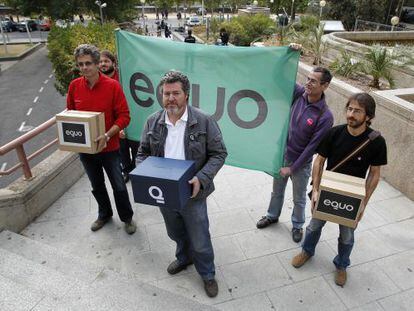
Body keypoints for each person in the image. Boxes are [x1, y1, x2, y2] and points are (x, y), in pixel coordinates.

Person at [136, 71, 227, 298]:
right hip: (164, 193)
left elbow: (219, 153)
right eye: (166, 94)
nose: (170, 98)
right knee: (175, 231)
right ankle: (183, 258)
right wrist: (147, 175)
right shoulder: (152, 122)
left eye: (176, 93)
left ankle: (207, 274)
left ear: (186, 94)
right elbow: (142, 153)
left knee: (200, 237)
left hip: (193, 193)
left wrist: (202, 178)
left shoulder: (204, 121)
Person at [291, 93, 387, 287]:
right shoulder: (334, 133)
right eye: (349, 109)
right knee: (314, 226)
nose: (351, 114)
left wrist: (363, 203)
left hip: (352, 197)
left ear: (368, 117)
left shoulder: (376, 141)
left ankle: (341, 265)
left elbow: (374, 174)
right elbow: (319, 161)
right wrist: (316, 190)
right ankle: (307, 251)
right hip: (327, 191)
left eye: (357, 111)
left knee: (347, 235)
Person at [256, 61, 334, 243]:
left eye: (314, 81)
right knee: (277, 192)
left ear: (325, 86)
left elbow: (311, 148)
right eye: (308, 79)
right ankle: (272, 215)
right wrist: (288, 56)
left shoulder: (325, 116)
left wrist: (292, 168)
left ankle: (297, 225)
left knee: (299, 199)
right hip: (283, 156)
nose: (308, 83)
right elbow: (277, 77)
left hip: (301, 164)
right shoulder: (299, 94)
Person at [67, 44, 136, 234]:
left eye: (88, 63)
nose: (84, 68)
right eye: (80, 64)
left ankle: (127, 218)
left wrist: (107, 134)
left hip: (110, 147)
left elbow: (124, 116)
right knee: (96, 185)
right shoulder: (74, 86)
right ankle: (104, 214)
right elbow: (71, 114)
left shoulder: (113, 86)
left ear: (98, 64)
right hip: (87, 150)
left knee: (118, 185)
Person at [98, 50, 140, 183]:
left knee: (136, 146)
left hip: (130, 118)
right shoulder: (98, 81)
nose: (103, 64)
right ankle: (126, 171)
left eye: (106, 61)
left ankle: (135, 169)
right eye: (100, 62)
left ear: (114, 63)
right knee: (121, 149)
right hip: (114, 124)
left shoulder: (124, 77)